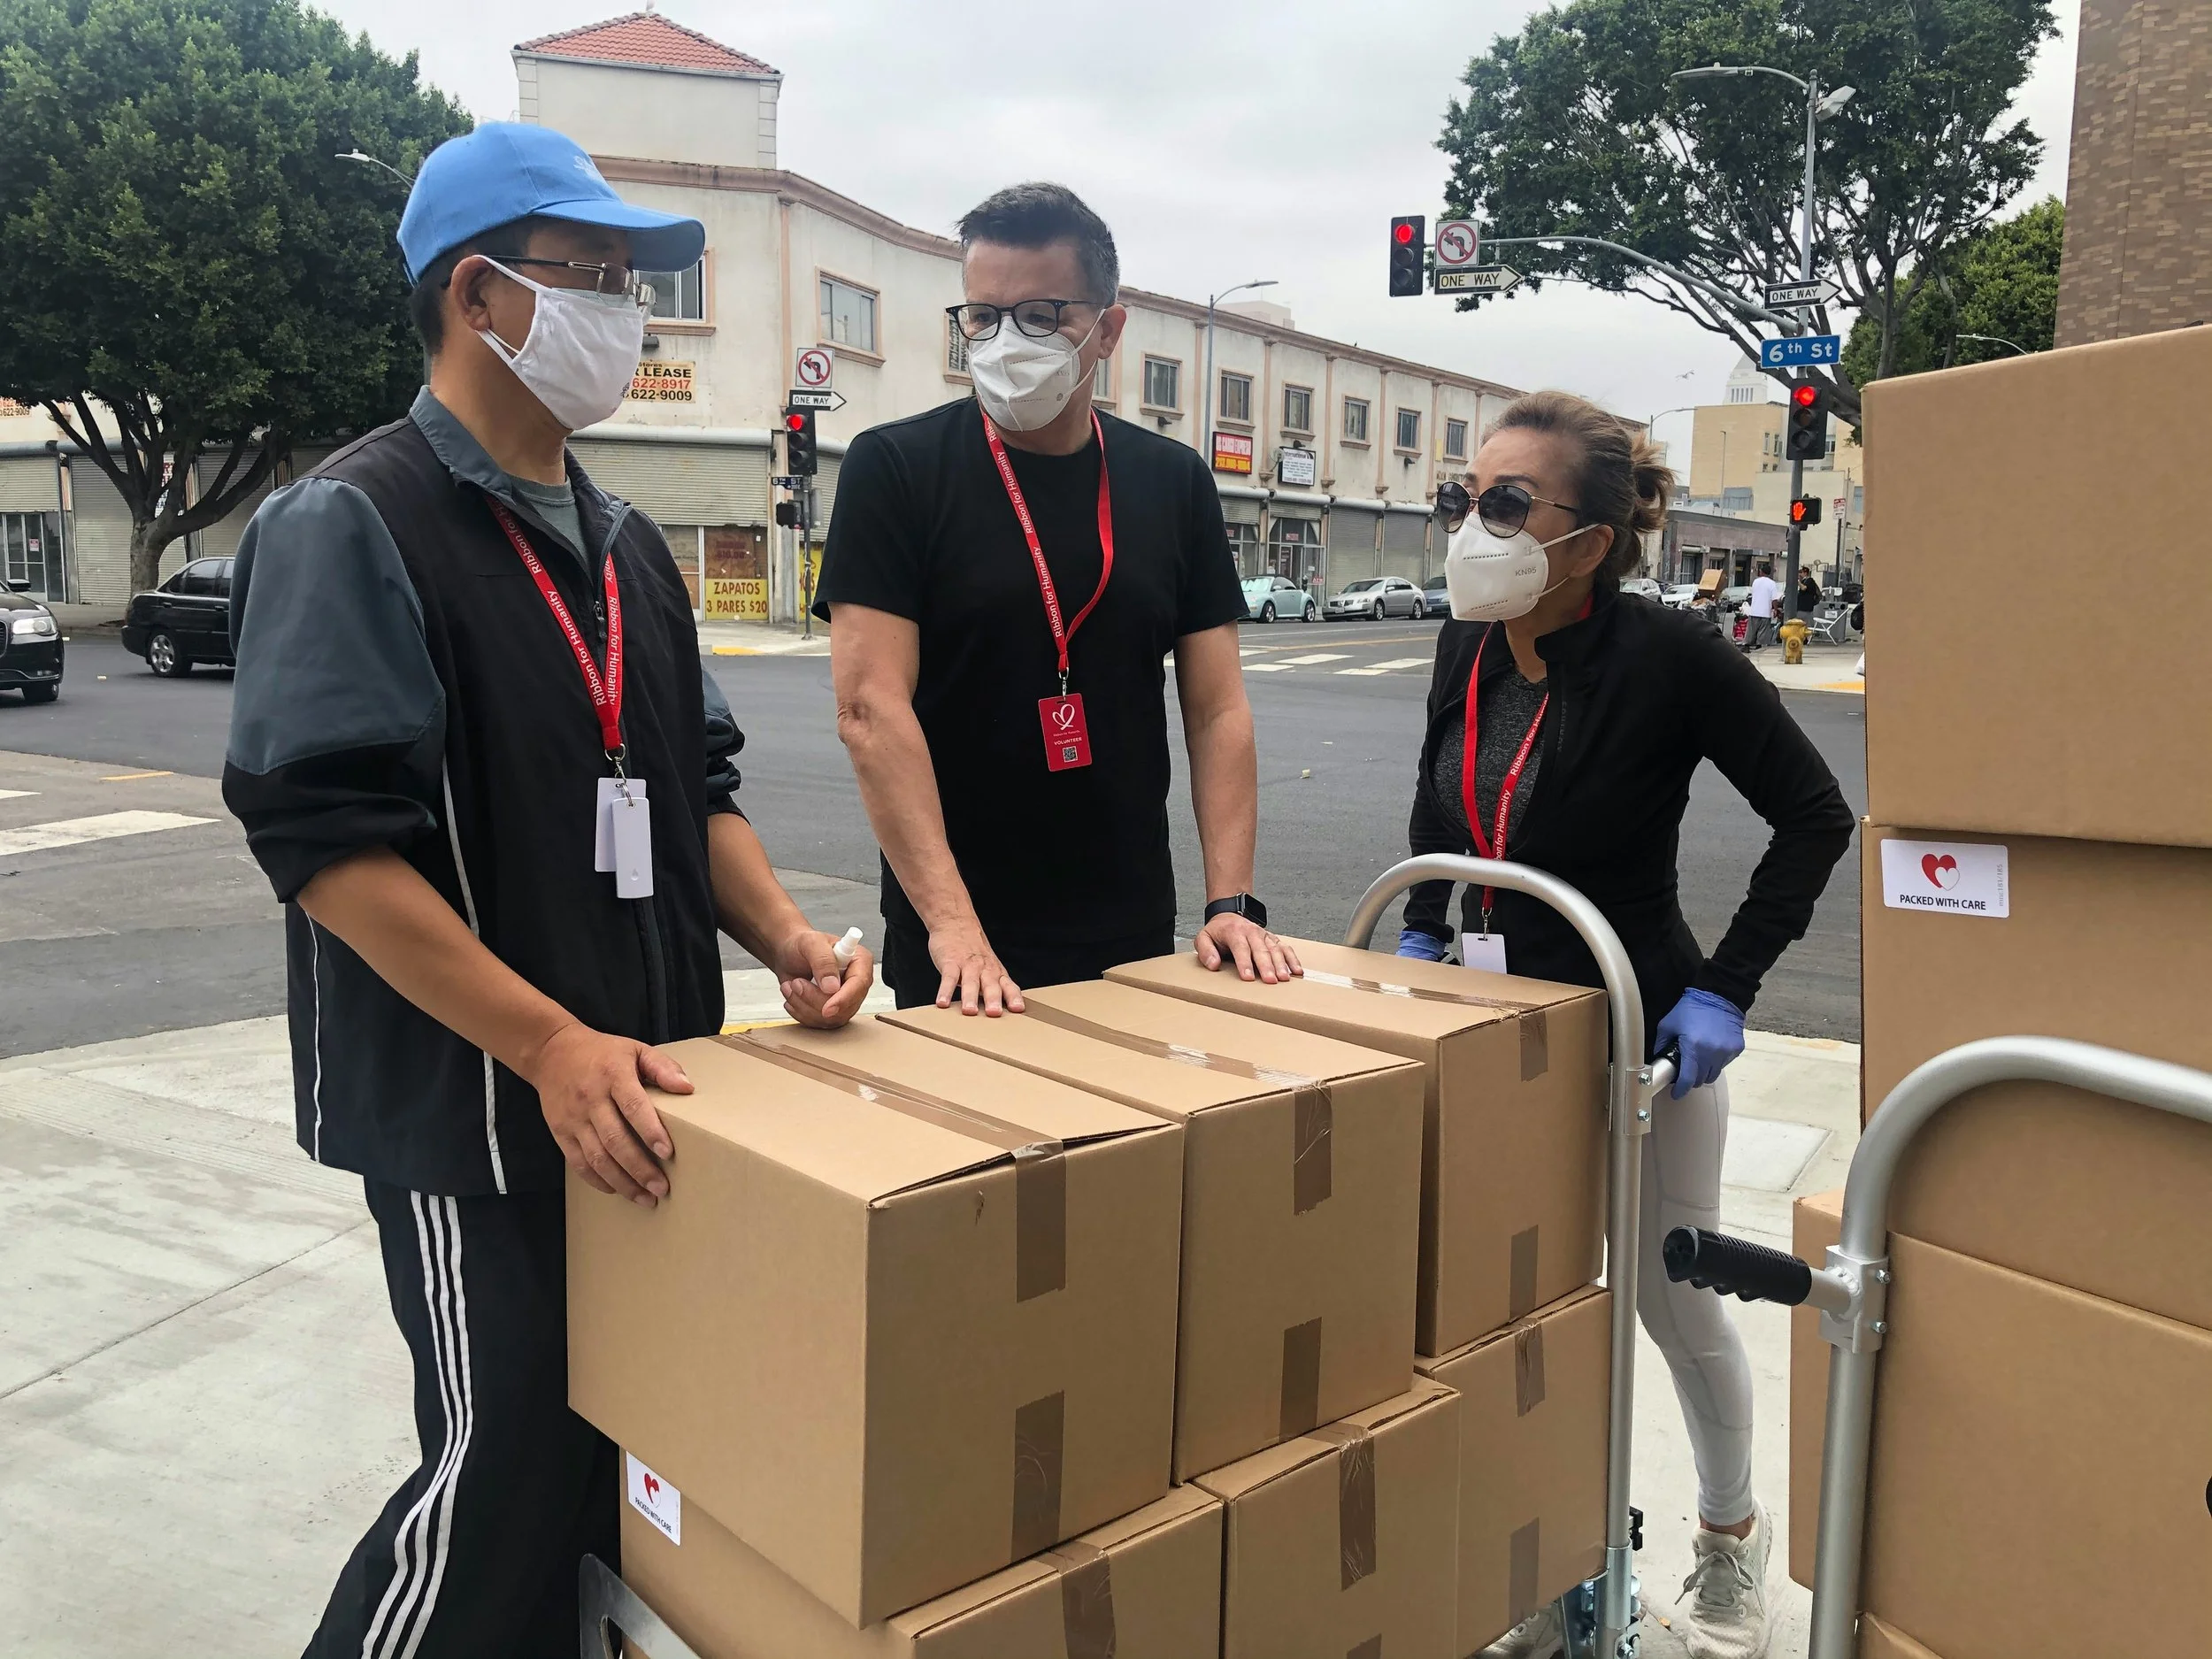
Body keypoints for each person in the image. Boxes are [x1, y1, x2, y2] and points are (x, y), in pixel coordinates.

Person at [221, 124, 874, 1657]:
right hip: (478, 1116)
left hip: (643, 1097)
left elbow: (690, 787)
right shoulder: (356, 522)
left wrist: (783, 940)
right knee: (500, 1463)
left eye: (631, 285)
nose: (627, 320)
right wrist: (545, 1044)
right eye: (591, 279)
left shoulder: (627, 544)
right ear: (479, 296)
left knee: (610, 1470)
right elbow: (328, 847)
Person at [1398, 392, 1853, 1659]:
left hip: (1643, 1029)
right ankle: (1562, 1551)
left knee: (1666, 1295)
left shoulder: (1671, 656)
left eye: (1503, 504)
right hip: (1497, 1032)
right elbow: (1438, 808)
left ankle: (1727, 1536)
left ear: (1588, 541)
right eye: (1461, 497)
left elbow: (1816, 816)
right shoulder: (1467, 644)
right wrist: (1431, 919)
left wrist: (1730, 985)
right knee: (1524, 1308)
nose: (1468, 526)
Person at [818, 182, 1297, 1014]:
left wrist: (1231, 901)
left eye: (1042, 315)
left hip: (1129, 924)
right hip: (958, 942)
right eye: (983, 316)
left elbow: (1218, 708)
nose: (1007, 341)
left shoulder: (1173, 481)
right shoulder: (895, 469)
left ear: (1108, 330)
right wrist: (953, 926)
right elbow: (868, 707)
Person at [1742, 560, 1780, 651]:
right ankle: (1759, 645)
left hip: (1754, 610)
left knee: (1751, 630)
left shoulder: (1755, 581)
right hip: (1765, 612)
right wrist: (1775, 609)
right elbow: (1774, 599)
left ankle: (1747, 645)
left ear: (1761, 572)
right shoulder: (1772, 583)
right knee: (1762, 630)